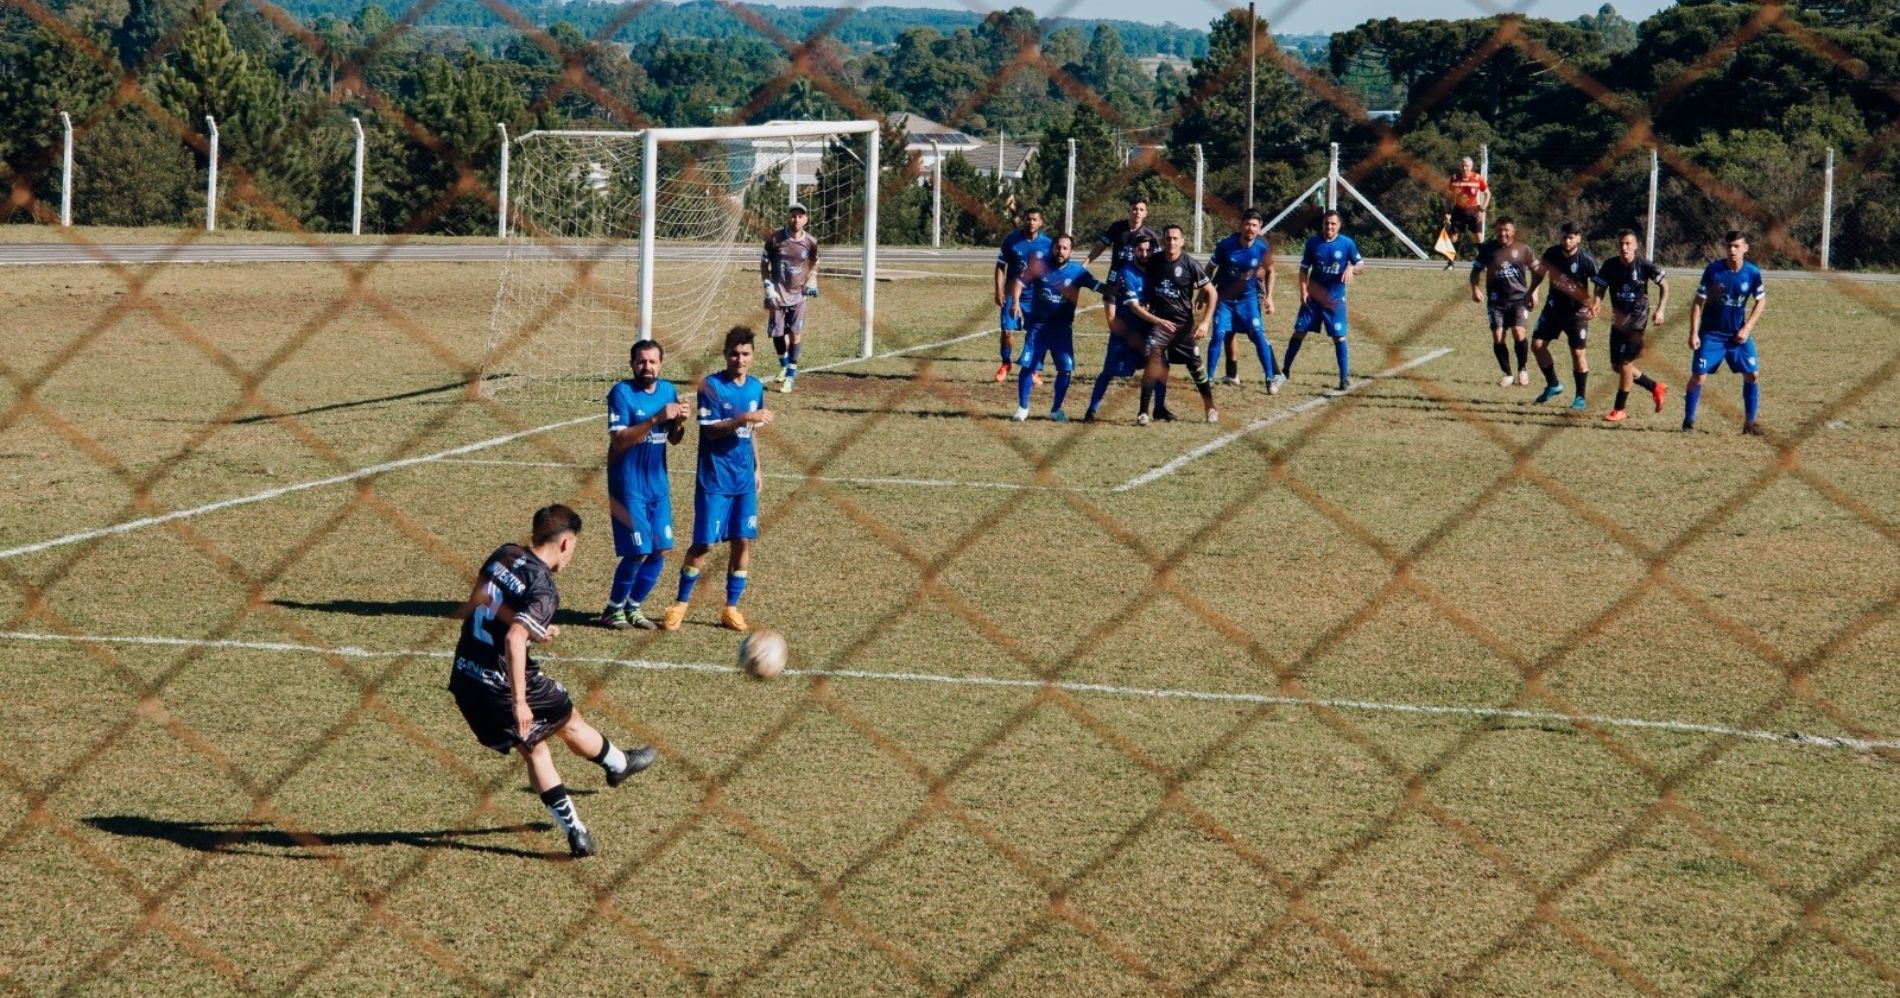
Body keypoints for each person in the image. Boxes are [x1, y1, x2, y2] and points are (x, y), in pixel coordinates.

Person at [449, 504, 657, 858]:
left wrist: (533, 628)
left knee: (535, 749)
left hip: (467, 675)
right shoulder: (544, 588)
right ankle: (618, 764)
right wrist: (519, 700)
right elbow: (514, 640)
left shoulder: (503, 554)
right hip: (505, 682)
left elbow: (482, 600)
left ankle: (576, 831)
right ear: (565, 543)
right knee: (567, 717)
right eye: (574, 546)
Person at [661, 327, 773, 632]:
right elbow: (709, 430)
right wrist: (743, 418)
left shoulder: (754, 388)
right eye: (734, 353)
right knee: (705, 545)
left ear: (753, 356)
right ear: (725, 354)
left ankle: (731, 608)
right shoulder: (711, 386)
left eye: (746, 354)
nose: (740, 359)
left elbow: (750, 435)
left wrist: (757, 467)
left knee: (743, 542)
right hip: (715, 480)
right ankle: (680, 603)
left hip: (743, 480)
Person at [600, 340, 686, 630]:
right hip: (629, 486)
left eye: (652, 362)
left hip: (658, 486)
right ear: (631, 364)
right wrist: (657, 418)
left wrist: (678, 423)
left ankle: (633, 607)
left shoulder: (668, 390)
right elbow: (619, 439)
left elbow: (674, 439)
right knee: (637, 551)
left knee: (660, 548)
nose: (646, 367)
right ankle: (613, 609)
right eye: (641, 361)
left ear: (661, 363)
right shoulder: (621, 393)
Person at [1126, 224, 1218, 425]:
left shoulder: (1190, 264)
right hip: (1159, 325)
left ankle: (1210, 407)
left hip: (1183, 326)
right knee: (1153, 362)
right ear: (1163, 240)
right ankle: (1143, 413)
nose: (1171, 242)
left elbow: (1212, 292)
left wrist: (1205, 323)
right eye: (1168, 238)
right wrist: (1146, 299)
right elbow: (1143, 275)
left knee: (1196, 366)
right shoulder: (1154, 261)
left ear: (1182, 241)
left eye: (1175, 238)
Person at [1008, 233, 1104, 422]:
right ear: (1052, 248)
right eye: (1057, 247)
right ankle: (1023, 407)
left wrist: (1116, 291)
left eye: (1064, 248)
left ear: (1071, 251)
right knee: (1028, 366)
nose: (1060, 251)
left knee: (1065, 369)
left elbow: (1098, 286)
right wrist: (1016, 302)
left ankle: (1056, 410)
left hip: (1062, 329)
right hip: (1038, 327)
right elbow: (1019, 283)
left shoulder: (1078, 272)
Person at [1684, 230, 1765, 434]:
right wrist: (1694, 333)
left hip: (1736, 334)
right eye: (1729, 246)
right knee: (1699, 377)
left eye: (1737, 246)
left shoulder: (1752, 273)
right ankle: (1688, 421)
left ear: (1745, 248)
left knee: (1753, 375)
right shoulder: (1714, 271)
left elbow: (1761, 300)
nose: (1732, 250)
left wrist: (1747, 328)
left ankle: (1749, 424)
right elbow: (1697, 303)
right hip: (1711, 334)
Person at [1527, 221, 1605, 410]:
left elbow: (1600, 282)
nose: (1567, 241)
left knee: (1578, 354)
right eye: (1564, 237)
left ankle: (1580, 397)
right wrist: (1531, 291)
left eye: (1571, 237)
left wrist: (1596, 302)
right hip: (1553, 308)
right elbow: (1539, 274)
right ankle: (1553, 384)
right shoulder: (1551, 253)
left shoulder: (1586, 259)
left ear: (1578, 238)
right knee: (1537, 345)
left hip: (1576, 313)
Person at [1284, 210, 1363, 393]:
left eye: (1333, 224)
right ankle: (1285, 371)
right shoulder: (1313, 243)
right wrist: (1303, 290)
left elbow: (1361, 265)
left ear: (1339, 225)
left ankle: (1344, 378)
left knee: (1339, 336)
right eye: (1327, 223)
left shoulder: (1347, 244)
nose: (1329, 227)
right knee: (1299, 332)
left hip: (1334, 300)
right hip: (1312, 298)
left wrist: (1352, 267)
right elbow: (1303, 270)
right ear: (1323, 224)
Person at [1085, 230, 1158, 422]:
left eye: (1148, 250)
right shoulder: (1125, 273)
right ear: (1134, 251)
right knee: (1108, 371)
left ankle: (1157, 409)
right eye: (1140, 250)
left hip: (1148, 330)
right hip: (1125, 330)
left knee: (1158, 366)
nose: (1144, 254)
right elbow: (1119, 300)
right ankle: (1091, 410)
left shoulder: (1157, 271)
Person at [1598, 229, 1670, 423]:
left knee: (1625, 364)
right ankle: (1655, 387)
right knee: (1617, 367)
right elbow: (1600, 287)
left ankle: (1619, 409)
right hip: (1617, 321)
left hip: (1637, 322)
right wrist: (1596, 303)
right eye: (1621, 244)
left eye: (1628, 244)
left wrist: (1661, 310)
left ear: (1636, 246)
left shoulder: (1644, 265)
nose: (1624, 247)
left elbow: (1665, 285)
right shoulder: (1610, 265)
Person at [1207, 208, 1281, 393]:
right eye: (1247, 224)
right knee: (1218, 335)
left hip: (1248, 301)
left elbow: (1271, 271)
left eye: (1254, 225)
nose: (1250, 228)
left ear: (1260, 228)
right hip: (1225, 300)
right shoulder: (1225, 245)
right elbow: (1210, 268)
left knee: (1257, 334)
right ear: (1241, 225)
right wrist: (1204, 291)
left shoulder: (1262, 248)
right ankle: (1208, 379)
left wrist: (1270, 297)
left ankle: (1271, 378)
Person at [1469, 217, 1538, 388]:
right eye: (1500, 229)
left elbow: (1538, 272)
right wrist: (1475, 289)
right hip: (1496, 301)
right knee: (1498, 336)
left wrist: (1534, 293)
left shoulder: (1523, 249)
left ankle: (1522, 369)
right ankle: (1507, 374)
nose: (1503, 233)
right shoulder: (1487, 249)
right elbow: (1475, 271)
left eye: (1506, 229)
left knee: (1518, 332)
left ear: (1513, 231)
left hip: (1518, 299)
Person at [761, 204, 818, 394]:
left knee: (795, 333)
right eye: (793, 216)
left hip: (799, 296)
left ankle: (791, 376)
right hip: (777, 294)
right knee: (777, 334)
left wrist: (812, 279)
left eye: (800, 216)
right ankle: (784, 365)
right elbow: (764, 263)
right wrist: (768, 286)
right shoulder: (775, 239)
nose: (796, 220)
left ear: (806, 219)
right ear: (788, 218)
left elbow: (814, 262)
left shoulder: (810, 242)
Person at [994, 207, 1052, 383]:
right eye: (1028, 219)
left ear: (1041, 222)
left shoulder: (1048, 244)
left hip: (1036, 297)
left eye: (1035, 219)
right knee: (1006, 332)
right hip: (1012, 294)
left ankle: (1034, 369)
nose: (1031, 222)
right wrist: (998, 290)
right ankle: (1005, 363)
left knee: (1036, 334)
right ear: (1024, 220)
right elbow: (1000, 266)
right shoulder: (1011, 240)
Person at [1085, 196, 1158, 288]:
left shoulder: (1150, 235)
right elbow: (1101, 245)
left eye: (1141, 210)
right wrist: (1085, 263)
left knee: (1137, 301)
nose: (1138, 212)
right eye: (1135, 209)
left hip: (1137, 277)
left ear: (1145, 213)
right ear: (1129, 211)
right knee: (1110, 299)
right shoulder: (1117, 227)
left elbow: (1157, 259)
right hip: (1116, 273)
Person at [1443, 156, 1490, 268]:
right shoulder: (1455, 178)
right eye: (1463, 166)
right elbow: (1448, 197)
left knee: (1478, 236)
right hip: (1459, 211)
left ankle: (1483, 262)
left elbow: (1487, 193)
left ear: (1471, 167)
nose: (1464, 168)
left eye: (1467, 166)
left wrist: (1482, 210)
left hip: (1474, 210)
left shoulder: (1477, 178)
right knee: (1454, 236)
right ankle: (1450, 263)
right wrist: (1447, 213)